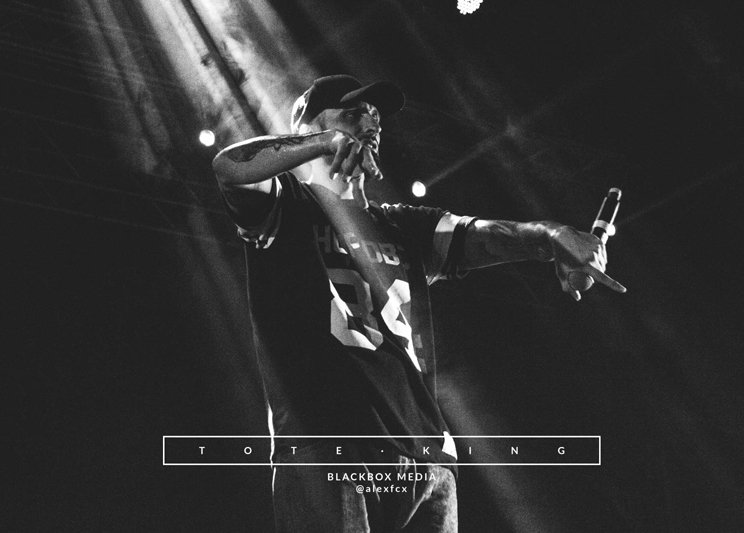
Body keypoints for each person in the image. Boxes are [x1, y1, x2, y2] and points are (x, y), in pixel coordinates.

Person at [212, 75, 625, 532]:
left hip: (427, 461)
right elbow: (229, 167)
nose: (370, 122)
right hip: (330, 448)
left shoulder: (404, 226)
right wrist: (325, 143)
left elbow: (483, 236)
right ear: (307, 128)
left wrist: (552, 236)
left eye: (375, 115)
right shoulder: (286, 207)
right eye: (352, 113)